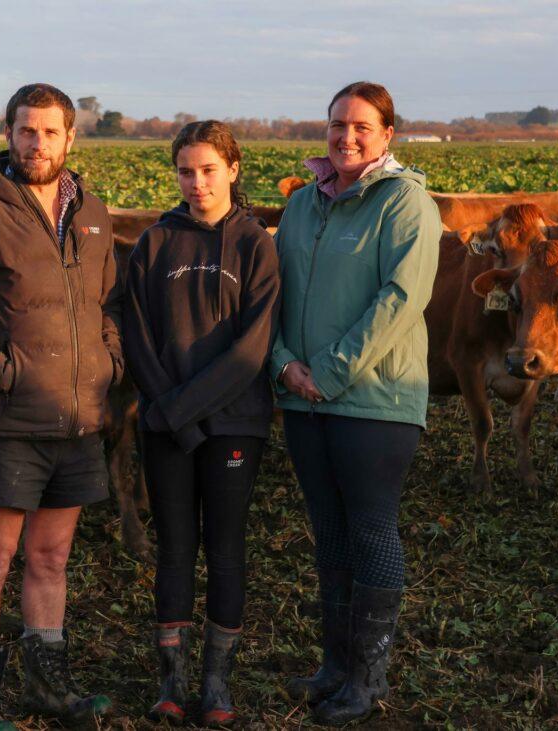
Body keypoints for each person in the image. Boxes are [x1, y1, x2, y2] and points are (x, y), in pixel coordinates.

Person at [0, 83, 122, 730]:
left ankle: (45, 684)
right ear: (7, 133)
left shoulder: (91, 213)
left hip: (76, 418)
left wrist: (109, 363)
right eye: (25, 131)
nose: (37, 143)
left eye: (49, 132)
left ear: (71, 138)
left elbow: (108, 305)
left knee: (50, 558)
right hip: (6, 420)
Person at [270, 82, 441, 726]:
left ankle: (368, 678)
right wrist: (282, 362)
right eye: (338, 123)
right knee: (330, 533)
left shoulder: (406, 203)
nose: (347, 136)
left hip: (375, 401)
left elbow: (400, 301)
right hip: (303, 400)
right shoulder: (303, 206)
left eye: (362, 126)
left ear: (387, 134)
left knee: (371, 530)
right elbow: (276, 290)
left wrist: (331, 373)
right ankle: (335, 665)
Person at [123, 120, 281, 727]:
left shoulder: (255, 245)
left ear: (233, 170)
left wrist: (180, 413)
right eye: (186, 171)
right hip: (166, 425)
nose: (197, 183)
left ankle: (217, 682)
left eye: (209, 169)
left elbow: (252, 349)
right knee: (174, 548)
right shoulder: (155, 242)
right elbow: (137, 336)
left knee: (226, 547)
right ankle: (173, 680)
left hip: (234, 424)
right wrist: (170, 414)